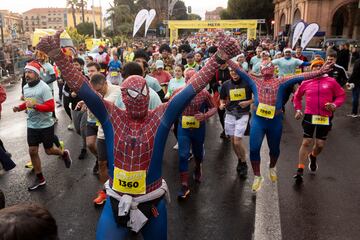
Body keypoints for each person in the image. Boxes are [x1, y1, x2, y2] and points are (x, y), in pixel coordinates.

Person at [37, 30, 239, 239]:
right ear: (123, 95)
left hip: (151, 201)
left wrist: (219, 58)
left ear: (148, 92)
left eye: (142, 93)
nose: (138, 98)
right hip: (117, 200)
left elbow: (192, 88)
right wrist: (57, 55)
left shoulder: (155, 115)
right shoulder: (112, 115)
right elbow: (84, 88)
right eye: (131, 94)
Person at [227, 58, 333, 192]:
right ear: (260, 69)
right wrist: (226, 58)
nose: (267, 69)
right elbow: (239, 70)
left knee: (275, 150)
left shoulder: (281, 81)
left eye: (269, 66)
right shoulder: (254, 81)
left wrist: (319, 72)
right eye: (264, 66)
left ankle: (272, 167)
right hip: (258, 121)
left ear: (274, 69)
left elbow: (300, 76)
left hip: (275, 121)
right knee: (254, 149)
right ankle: (257, 176)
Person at [12, 61, 72, 191]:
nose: (27, 75)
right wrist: (20, 107)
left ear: (37, 74)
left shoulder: (44, 87)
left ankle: (63, 154)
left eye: (30, 72)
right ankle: (40, 179)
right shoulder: (26, 87)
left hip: (46, 125)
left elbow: (50, 107)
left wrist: (35, 106)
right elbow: (29, 103)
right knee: (32, 151)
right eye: (26, 72)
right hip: (32, 124)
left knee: (49, 150)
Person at [293, 60, 346, 183]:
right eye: (314, 66)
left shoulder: (331, 81)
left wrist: (334, 104)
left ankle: (313, 156)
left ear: (323, 68)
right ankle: (300, 169)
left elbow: (341, 95)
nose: (317, 67)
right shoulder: (306, 82)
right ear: (312, 69)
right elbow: (297, 97)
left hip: (325, 116)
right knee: (306, 141)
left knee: (320, 145)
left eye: (319, 65)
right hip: (309, 115)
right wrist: (298, 109)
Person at [176, 69, 217, 199]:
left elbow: (214, 107)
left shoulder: (204, 93)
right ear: (186, 80)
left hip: (199, 128)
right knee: (183, 154)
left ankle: (198, 167)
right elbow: (169, 107)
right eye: (189, 80)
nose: (192, 84)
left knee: (198, 153)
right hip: (184, 127)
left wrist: (205, 115)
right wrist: (172, 122)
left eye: (194, 80)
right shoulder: (179, 92)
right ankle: (184, 184)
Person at [219, 65, 253, 178]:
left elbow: (256, 97)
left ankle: (244, 163)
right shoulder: (226, 84)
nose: (234, 73)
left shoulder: (248, 83)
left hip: (243, 114)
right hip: (230, 114)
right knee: (233, 141)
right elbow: (222, 98)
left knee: (238, 141)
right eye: (231, 71)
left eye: (236, 71)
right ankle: (239, 159)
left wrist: (248, 102)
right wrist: (221, 104)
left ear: (240, 71)